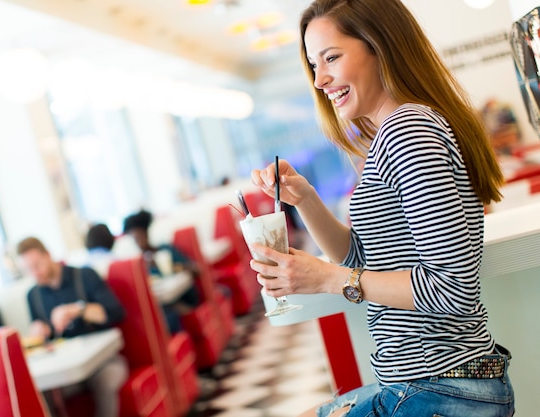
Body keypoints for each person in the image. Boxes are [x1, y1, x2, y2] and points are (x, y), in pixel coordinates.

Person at [248, 1, 514, 416]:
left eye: (332, 57)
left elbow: (452, 288)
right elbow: (364, 261)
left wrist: (328, 278)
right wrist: (306, 199)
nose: (320, 79)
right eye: (314, 64)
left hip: (441, 389)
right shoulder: (394, 132)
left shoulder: (408, 131)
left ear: (380, 46)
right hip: (432, 385)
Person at [16, 237, 127, 417]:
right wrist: (39, 332)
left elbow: (116, 313)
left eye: (37, 265)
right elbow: (42, 340)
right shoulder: (33, 295)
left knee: (106, 380)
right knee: (42, 392)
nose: (35, 273)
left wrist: (78, 309)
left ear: (48, 255)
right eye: (28, 270)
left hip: (103, 360)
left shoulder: (85, 276)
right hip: (67, 369)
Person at [122, 209, 200, 334]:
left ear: (146, 234)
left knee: (168, 315)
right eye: (135, 239)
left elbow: (196, 270)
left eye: (140, 236)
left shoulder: (165, 250)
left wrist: (170, 266)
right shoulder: (140, 264)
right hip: (164, 302)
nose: (139, 242)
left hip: (184, 295)